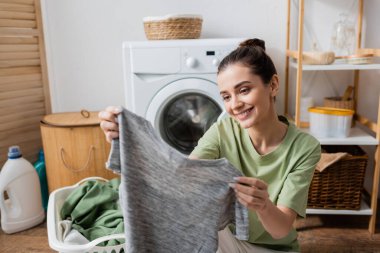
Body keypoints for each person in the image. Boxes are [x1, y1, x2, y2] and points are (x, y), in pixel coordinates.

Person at [99, 38, 321, 253]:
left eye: (244, 90)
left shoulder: (304, 147)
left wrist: (264, 205)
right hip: (227, 240)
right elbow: (182, 176)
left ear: (272, 85)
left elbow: (281, 230)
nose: (234, 105)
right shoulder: (223, 130)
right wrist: (129, 137)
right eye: (226, 96)